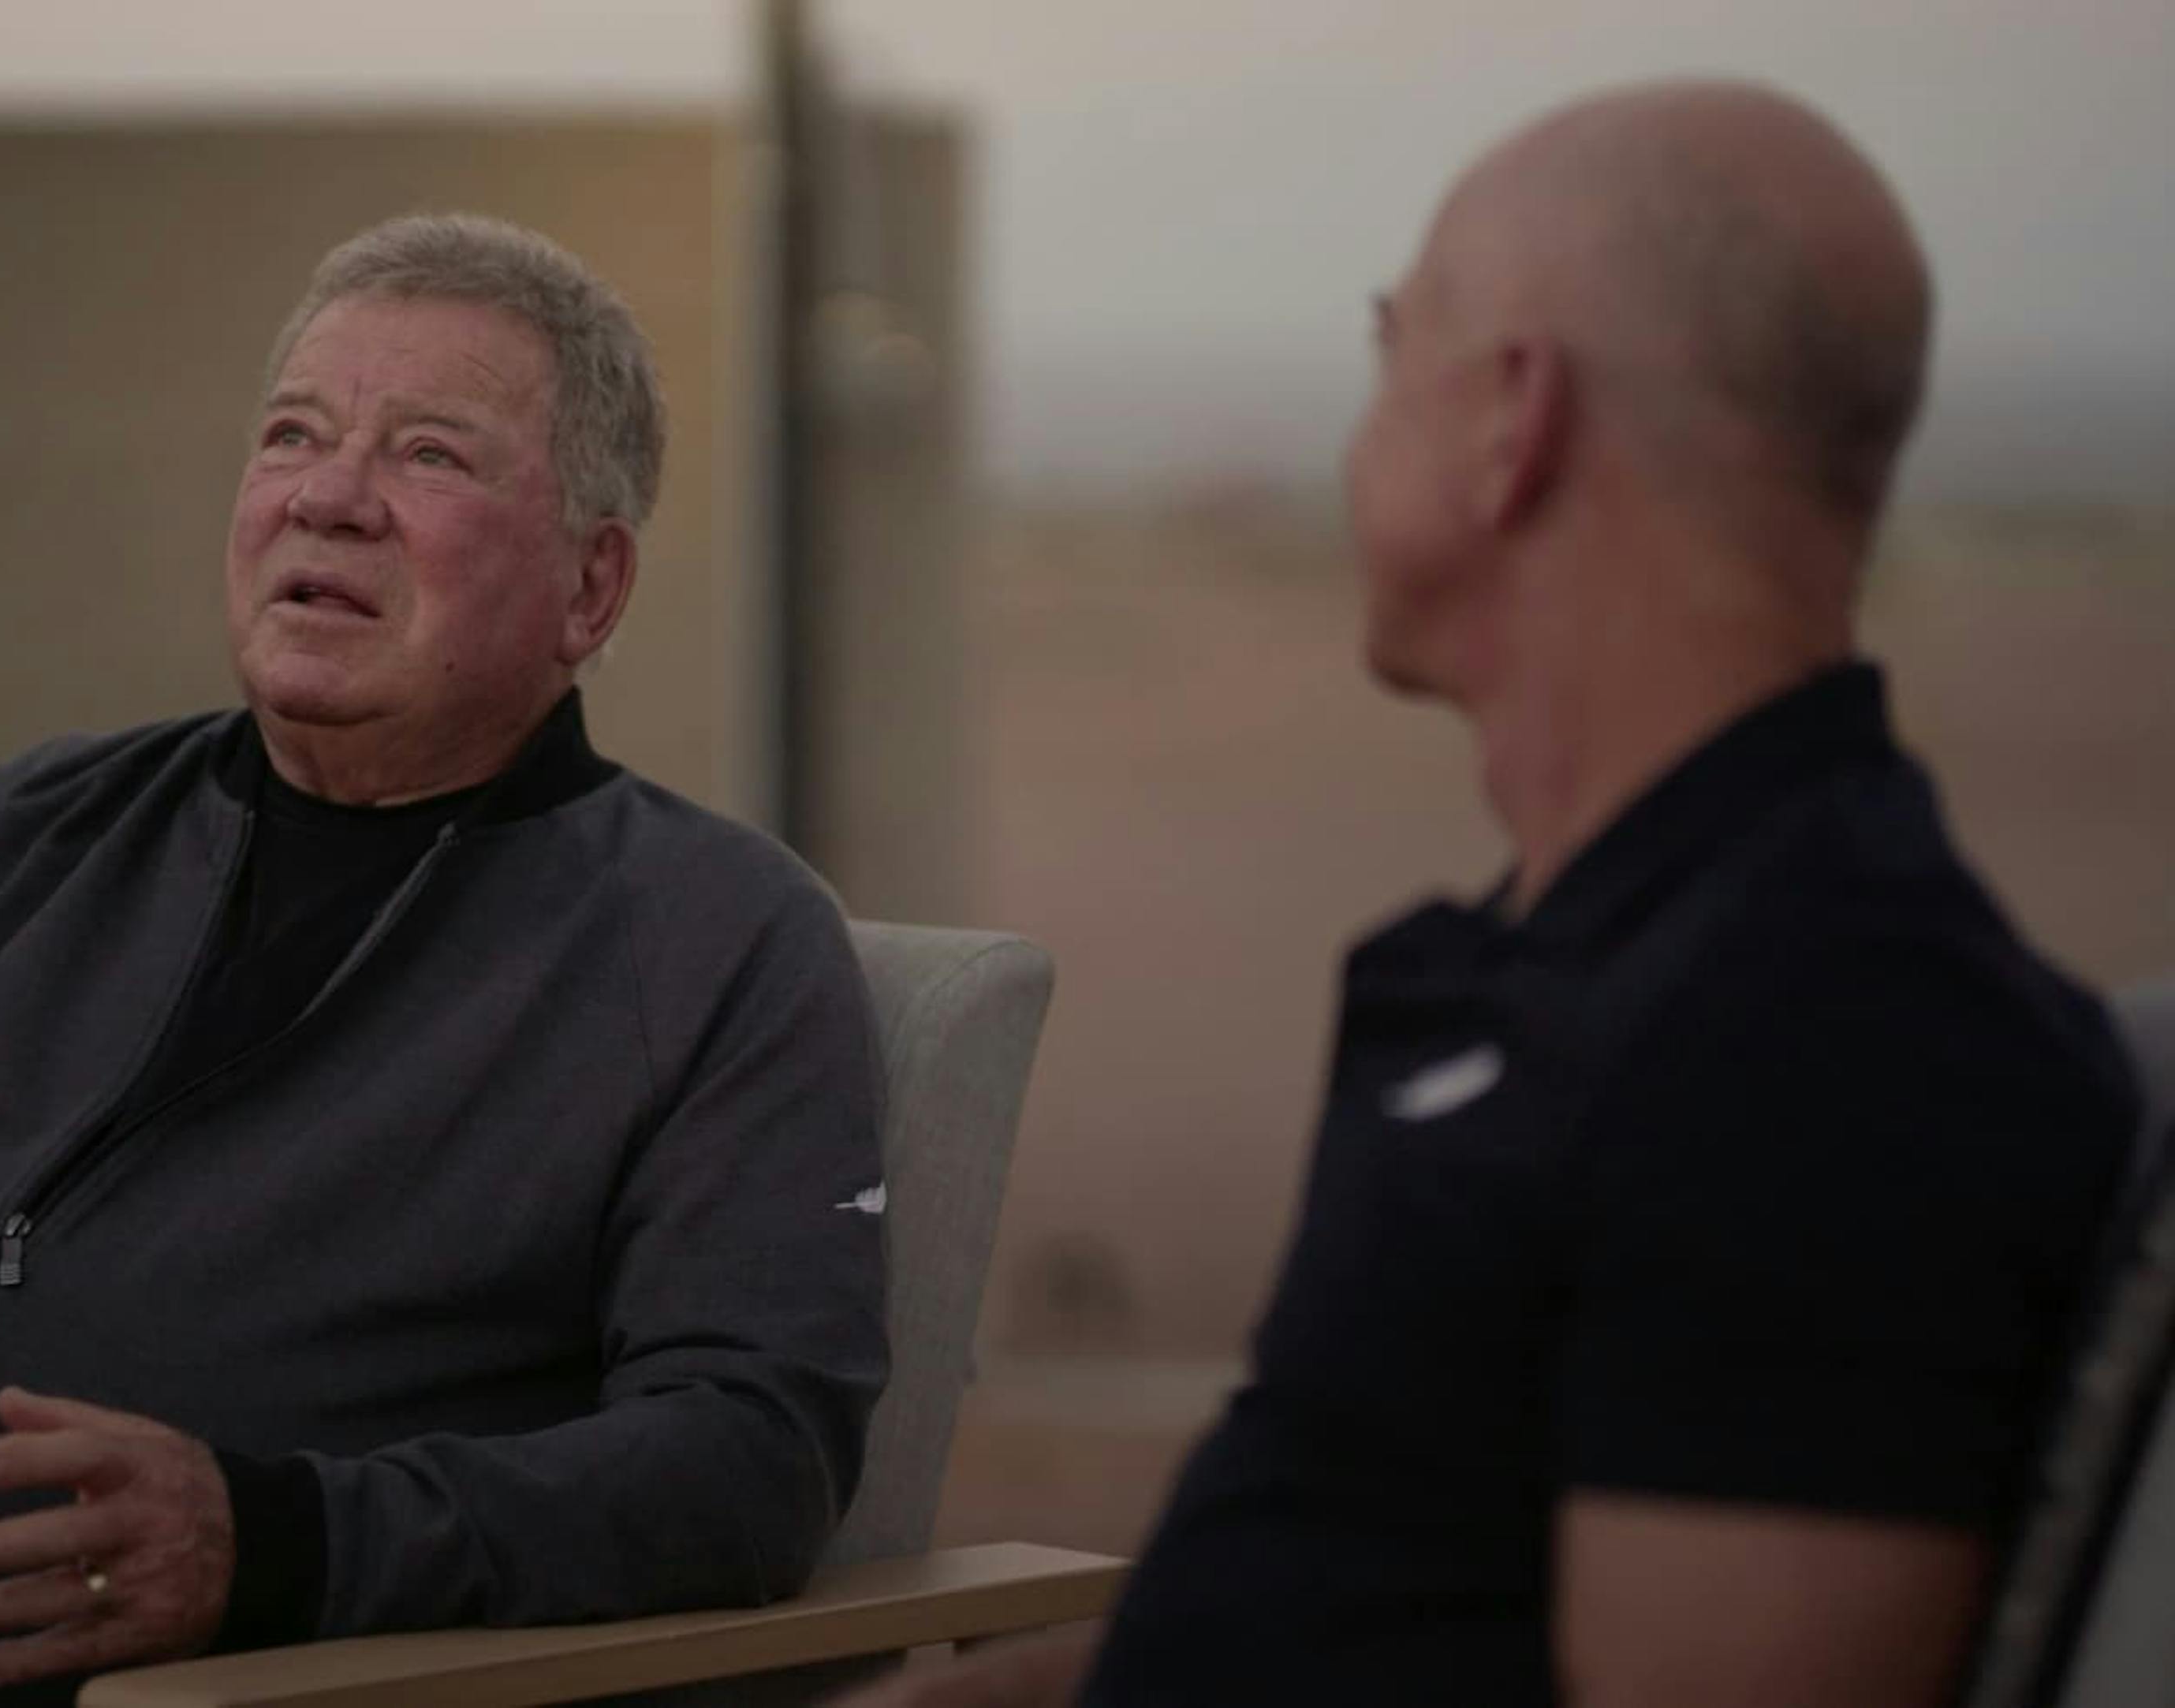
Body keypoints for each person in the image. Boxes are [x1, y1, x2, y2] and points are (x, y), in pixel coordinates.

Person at [0, 213, 889, 1706]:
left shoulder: (715, 945)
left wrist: (278, 1543)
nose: (329, 495)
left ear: (593, 586)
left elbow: (749, 1459)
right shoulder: (30, 829)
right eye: (293, 434)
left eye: (430, 455)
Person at [845, 80, 2138, 1708]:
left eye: (1393, 354)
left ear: (1510, 418)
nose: (1356, 428)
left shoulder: (1827, 1045)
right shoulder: (1608, 970)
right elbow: (1325, 1615)